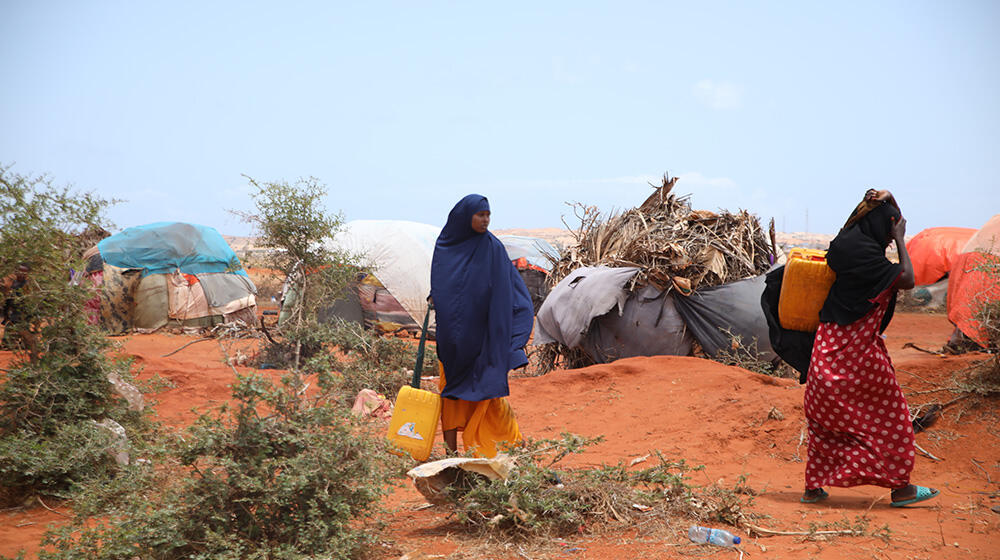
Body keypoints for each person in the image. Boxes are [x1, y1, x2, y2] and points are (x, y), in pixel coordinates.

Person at [801, 189, 938, 507]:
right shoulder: (872, 263)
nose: (890, 240)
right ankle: (901, 489)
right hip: (860, 358)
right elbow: (907, 278)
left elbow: (863, 218)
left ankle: (814, 488)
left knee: (826, 427)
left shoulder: (844, 249)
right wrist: (902, 240)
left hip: (824, 360)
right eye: (890, 233)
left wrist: (888, 198)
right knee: (895, 422)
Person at [430, 194, 533, 458]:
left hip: (485, 338)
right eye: (480, 215)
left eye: (488, 214)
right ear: (467, 217)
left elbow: (513, 292)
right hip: (452, 340)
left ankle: (510, 447)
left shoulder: (493, 248)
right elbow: (444, 286)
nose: (485, 220)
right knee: (451, 395)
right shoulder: (446, 246)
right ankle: (451, 456)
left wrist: (513, 336)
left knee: (489, 394)